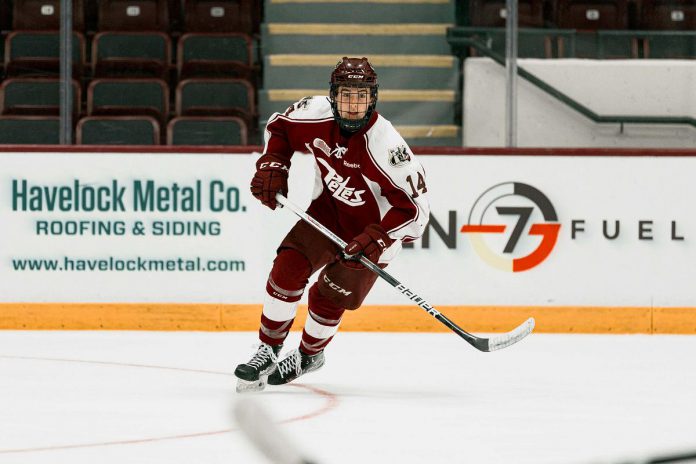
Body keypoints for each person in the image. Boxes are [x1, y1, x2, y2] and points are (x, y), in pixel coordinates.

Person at [235, 57, 430, 393]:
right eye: (345, 95)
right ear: (332, 95)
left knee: (328, 295)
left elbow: (415, 211)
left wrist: (378, 237)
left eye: (361, 96)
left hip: (372, 232)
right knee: (287, 269)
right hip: (326, 213)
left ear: (373, 98)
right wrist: (273, 165)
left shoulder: (388, 147)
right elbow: (278, 127)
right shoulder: (314, 113)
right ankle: (267, 349)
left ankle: (310, 355)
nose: (353, 105)